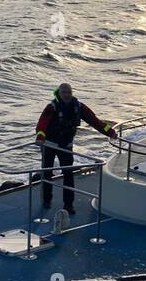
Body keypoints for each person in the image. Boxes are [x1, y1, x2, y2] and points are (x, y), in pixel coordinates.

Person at [34, 83, 117, 214]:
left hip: (66, 146)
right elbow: (42, 124)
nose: (66, 95)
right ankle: (46, 200)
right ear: (59, 93)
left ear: (72, 93)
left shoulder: (79, 107)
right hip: (49, 145)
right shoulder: (51, 107)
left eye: (68, 92)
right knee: (47, 173)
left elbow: (94, 121)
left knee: (68, 174)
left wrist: (109, 132)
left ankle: (68, 205)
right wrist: (40, 137)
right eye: (64, 92)